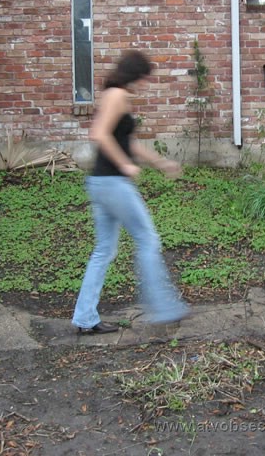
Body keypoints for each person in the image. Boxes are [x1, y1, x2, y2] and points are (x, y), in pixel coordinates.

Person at [72, 49, 189, 334]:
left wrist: (161, 162)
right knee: (147, 239)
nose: (145, 84)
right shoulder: (118, 96)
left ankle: (85, 318)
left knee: (103, 250)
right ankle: (164, 307)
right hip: (113, 184)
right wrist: (125, 165)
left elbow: (128, 143)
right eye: (144, 78)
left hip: (99, 183)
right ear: (135, 74)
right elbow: (98, 133)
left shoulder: (114, 94)